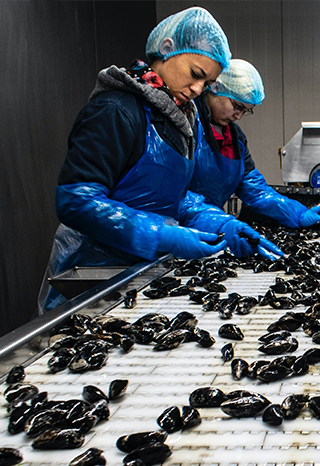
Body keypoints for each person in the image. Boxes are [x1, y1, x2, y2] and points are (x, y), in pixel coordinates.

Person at [38, 7, 280, 313]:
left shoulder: (178, 121)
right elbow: (76, 200)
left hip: (140, 275)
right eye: (195, 74)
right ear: (167, 48)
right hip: (91, 277)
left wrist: (222, 224)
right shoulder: (116, 110)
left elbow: (176, 198)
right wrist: (158, 234)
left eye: (206, 83)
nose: (197, 89)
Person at [189, 59, 320, 235]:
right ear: (216, 87)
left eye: (245, 111)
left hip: (209, 230)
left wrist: (298, 214)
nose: (238, 116)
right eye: (237, 107)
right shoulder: (187, 125)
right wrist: (221, 223)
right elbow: (175, 196)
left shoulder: (235, 138)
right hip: (176, 233)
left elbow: (255, 190)